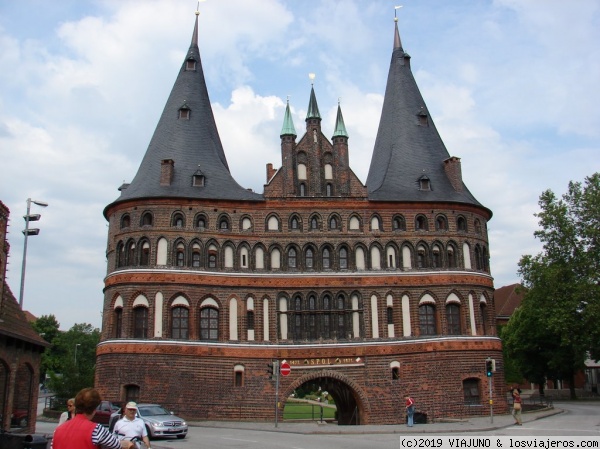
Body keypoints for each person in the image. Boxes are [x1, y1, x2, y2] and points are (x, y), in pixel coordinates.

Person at [52, 387, 133, 449]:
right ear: (95, 409)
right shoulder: (96, 429)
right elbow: (116, 444)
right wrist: (130, 444)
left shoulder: (58, 430)